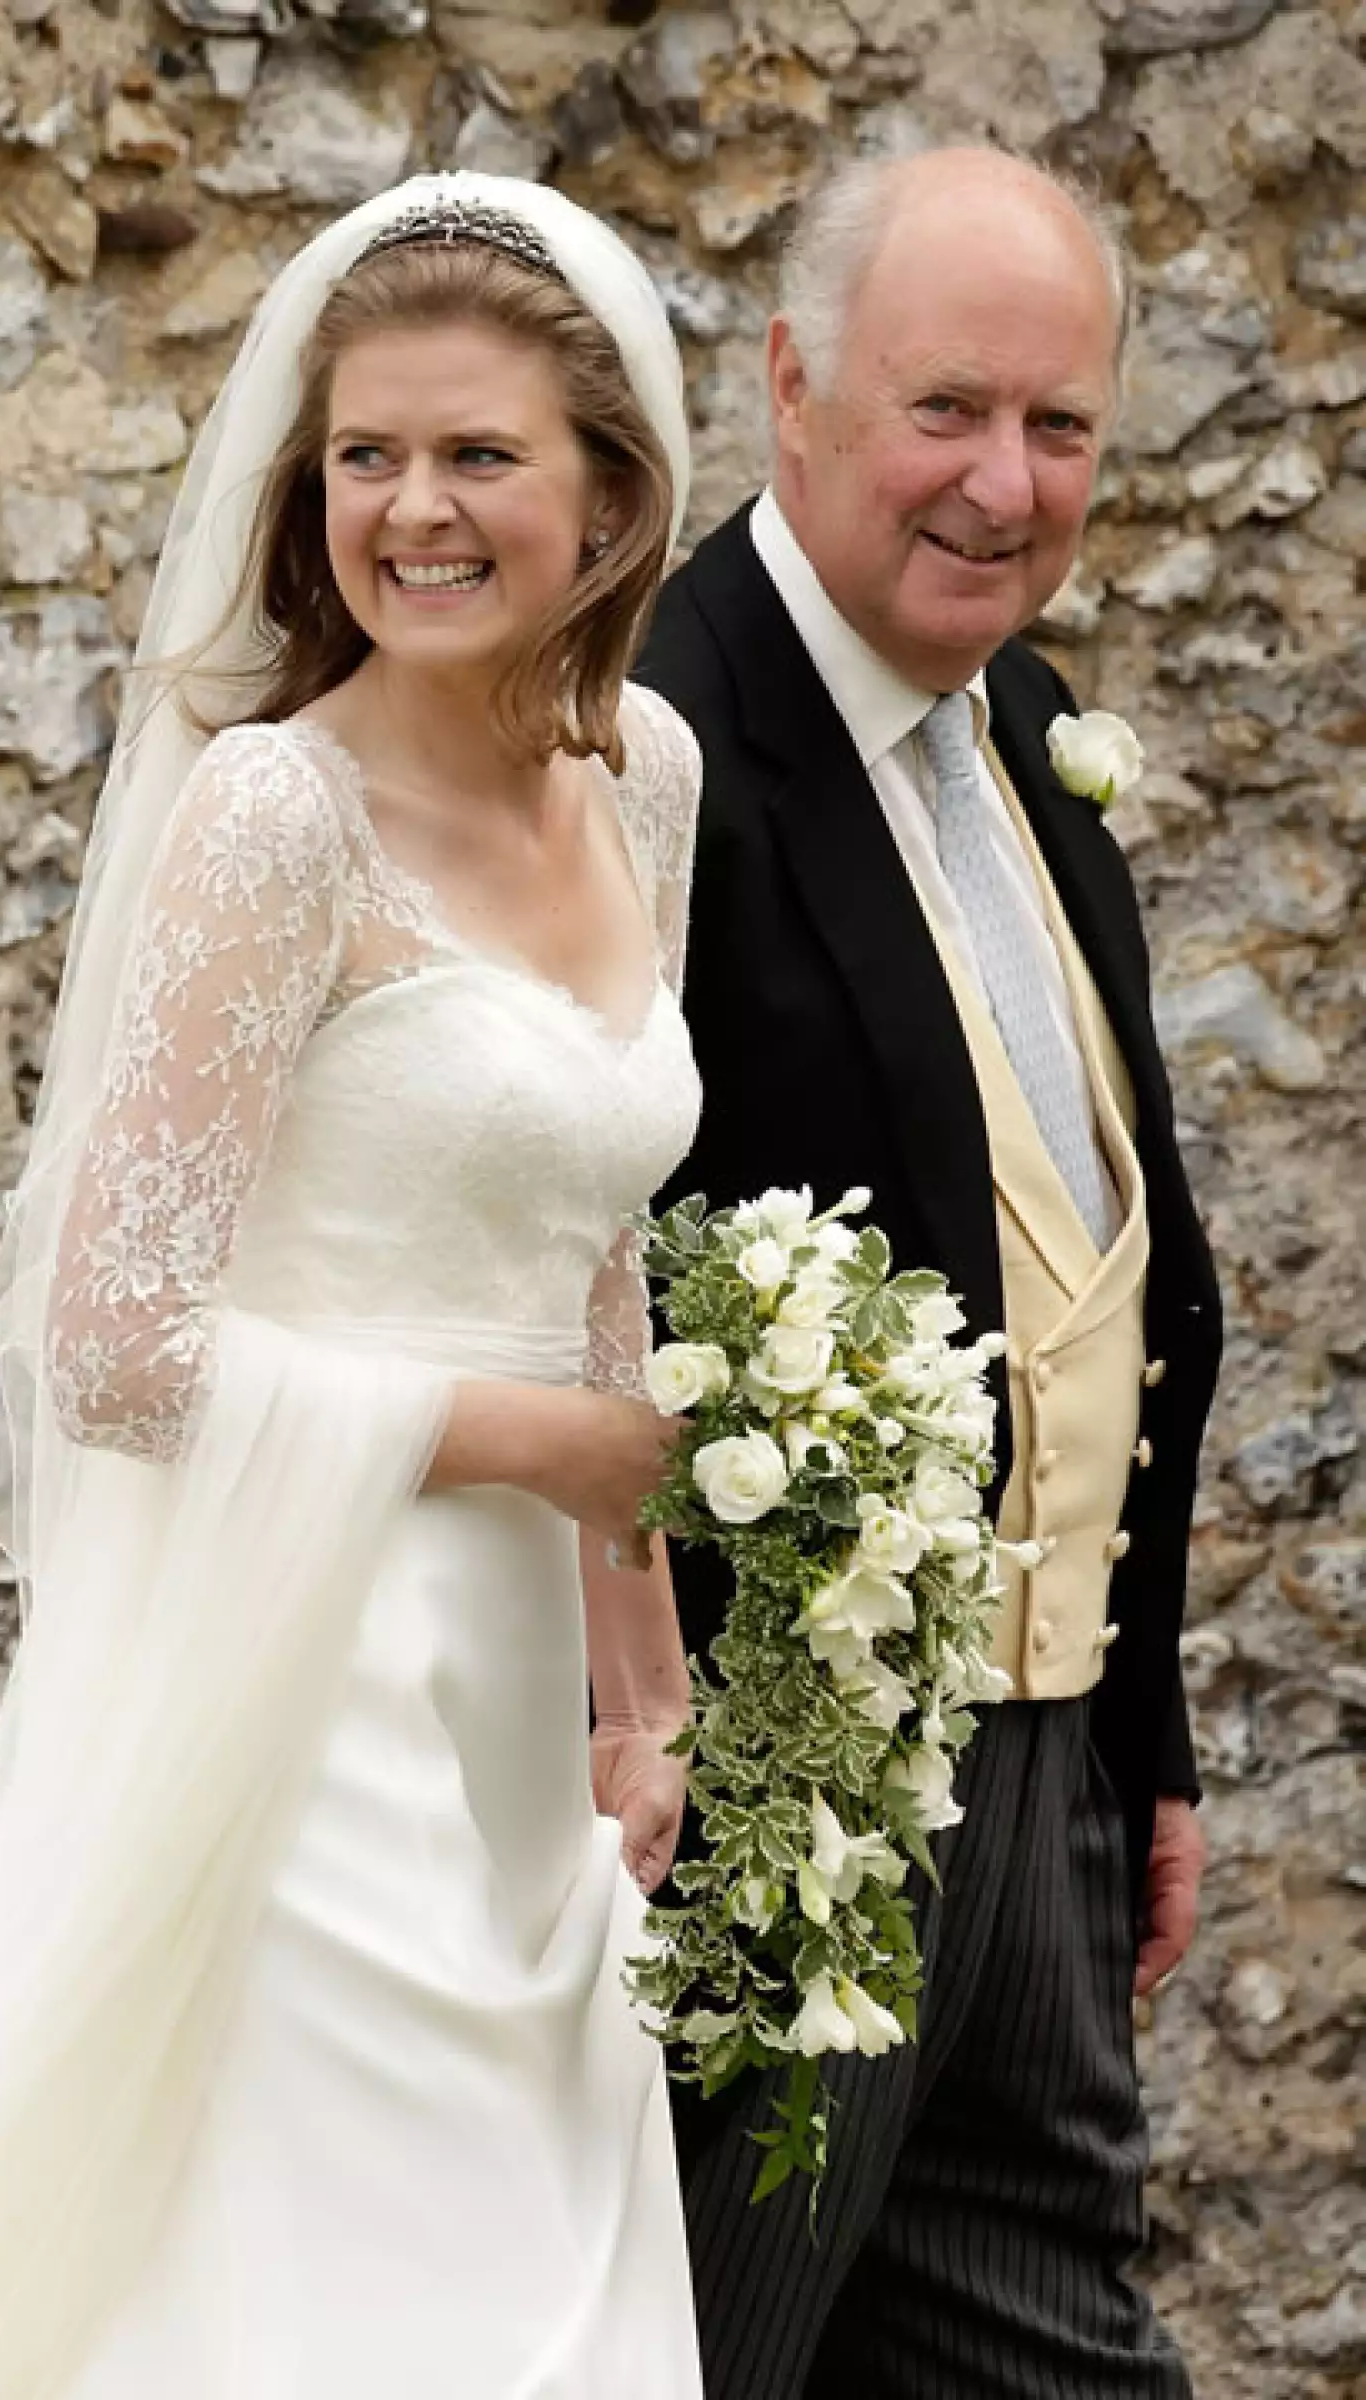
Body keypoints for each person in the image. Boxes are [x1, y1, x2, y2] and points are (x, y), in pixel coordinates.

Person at [0, 172, 706, 2400]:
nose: (413, 510)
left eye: (476, 453)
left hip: (525, 1742)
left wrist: (644, 1685)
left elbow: (589, 1244)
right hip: (306, 1688)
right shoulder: (278, 817)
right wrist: (541, 1444)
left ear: (608, 494)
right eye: (366, 454)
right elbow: (114, 1345)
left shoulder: (643, 778)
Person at [639, 146, 1223, 2400]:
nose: (1005, 484)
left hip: (1044, 1798)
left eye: (1058, 426)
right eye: (946, 410)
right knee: (697, 2358)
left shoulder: (1030, 730)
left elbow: (1118, 1289)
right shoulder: (650, 743)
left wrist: (1136, 1746)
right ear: (791, 388)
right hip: (767, 1826)